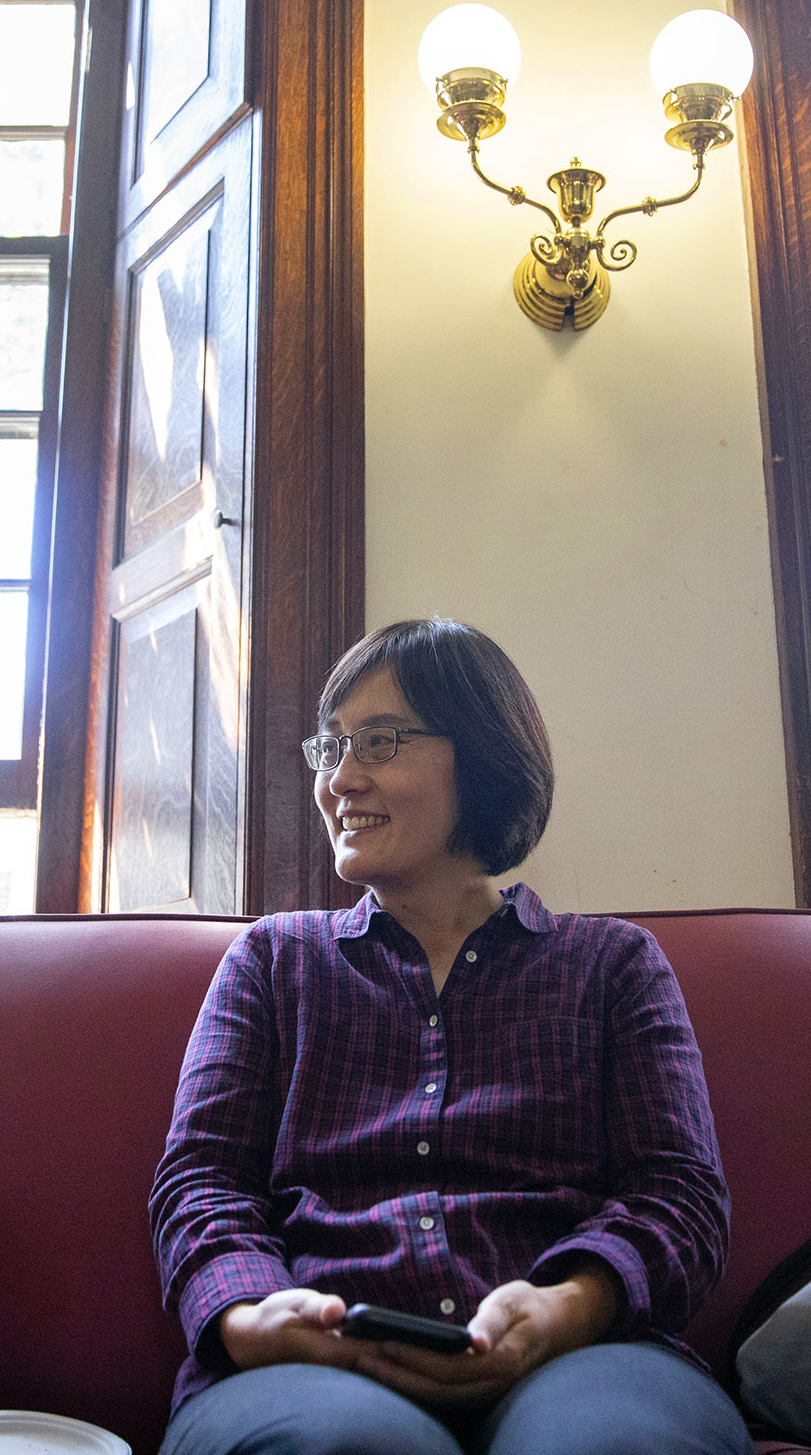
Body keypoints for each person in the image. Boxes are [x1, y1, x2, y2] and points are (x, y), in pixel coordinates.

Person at [148, 619, 750, 1455]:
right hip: (314, 1358)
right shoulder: (272, 961)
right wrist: (252, 1319)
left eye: (380, 741)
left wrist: (563, 1307)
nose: (340, 779)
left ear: (482, 754)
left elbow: (679, 1195)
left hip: (582, 1357)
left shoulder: (612, 964)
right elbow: (202, 1184)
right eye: (331, 748)